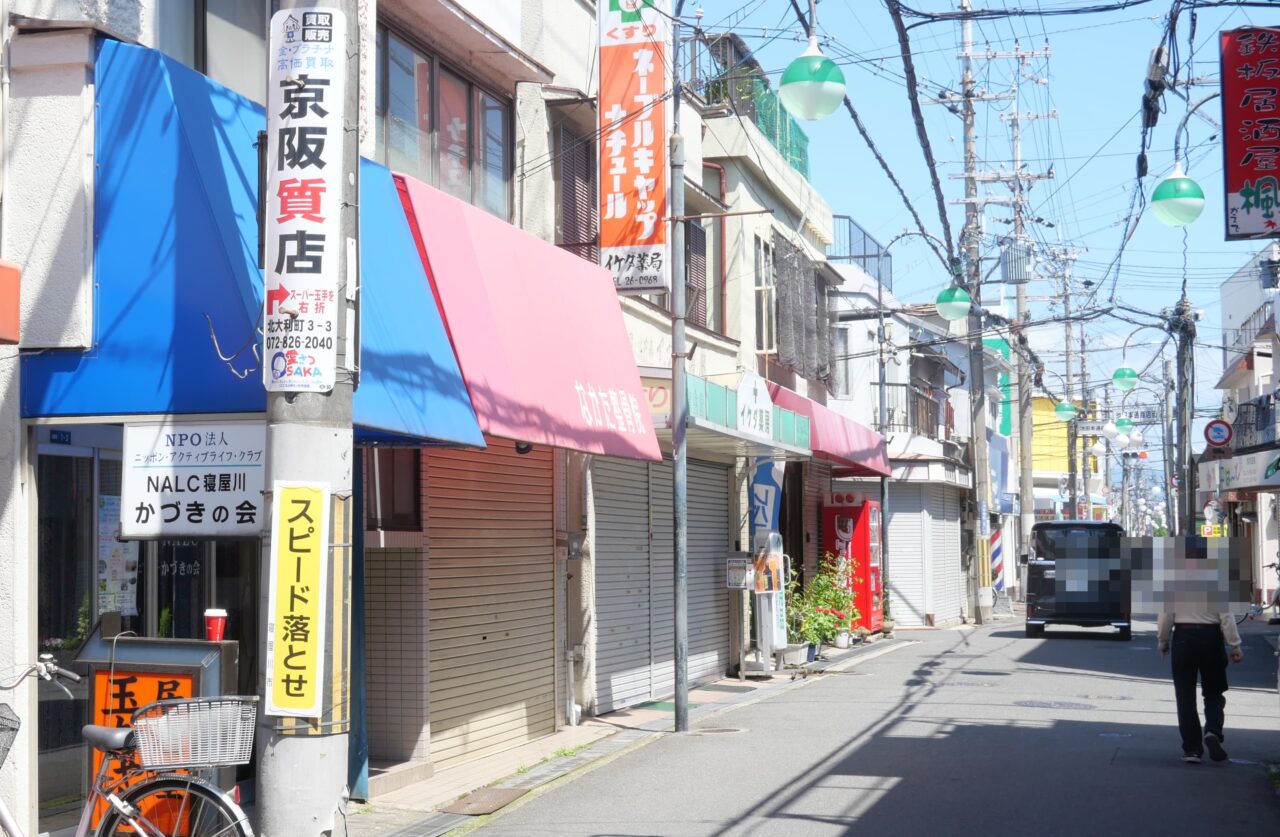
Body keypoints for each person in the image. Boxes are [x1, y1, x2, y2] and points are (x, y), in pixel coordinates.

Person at [1157, 611, 1244, 764]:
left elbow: (1166, 615)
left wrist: (1163, 640)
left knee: (1185, 696)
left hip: (1183, 637)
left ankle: (1193, 749)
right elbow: (1227, 616)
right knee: (1214, 691)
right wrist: (1235, 645)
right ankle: (1213, 731)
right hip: (1211, 638)